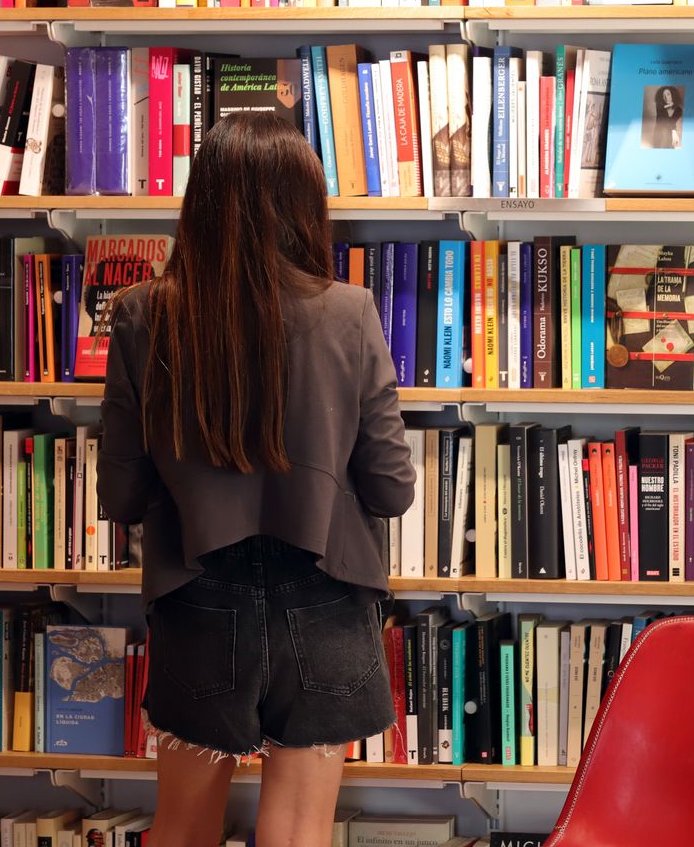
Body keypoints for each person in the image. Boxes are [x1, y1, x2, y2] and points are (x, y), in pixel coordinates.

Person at [97, 111, 416, 847]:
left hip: (198, 598)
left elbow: (122, 496)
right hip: (325, 596)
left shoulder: (142, 314)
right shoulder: (349, 312)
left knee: (181, 830)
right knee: (296, 834)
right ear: (304, 203)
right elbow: (391, 489)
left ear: (200, 201)